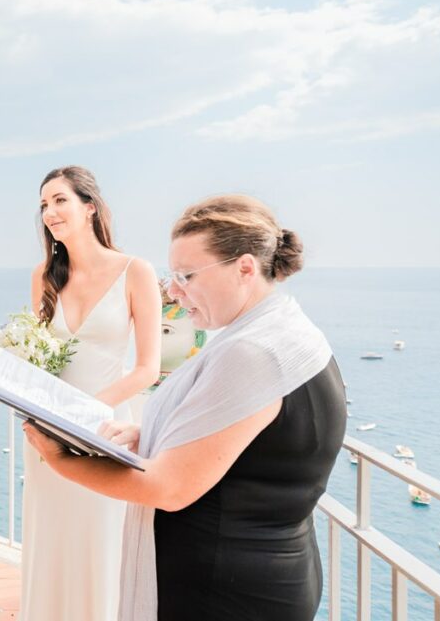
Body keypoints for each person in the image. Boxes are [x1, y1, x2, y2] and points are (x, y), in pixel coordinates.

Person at [24, 194, 347, 621]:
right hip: (262, 570)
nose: (173, 291)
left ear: (245, 268)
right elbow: (252, 445)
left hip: (225, 587)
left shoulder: (251, 355)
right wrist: (153, 437)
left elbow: (169, 489)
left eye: (187, 276)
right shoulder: (289, 332)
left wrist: (60, 459)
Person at [20, 166, 161, 621]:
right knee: (53, 539)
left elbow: (147, 368)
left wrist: (86, 410)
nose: (50, 212)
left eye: (60, 200)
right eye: (44, 204)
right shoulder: (44, 274)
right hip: (51, 432)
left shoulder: (134, 271)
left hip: (103, 430)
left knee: (102, 540)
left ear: (89, 207)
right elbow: (39, 358)